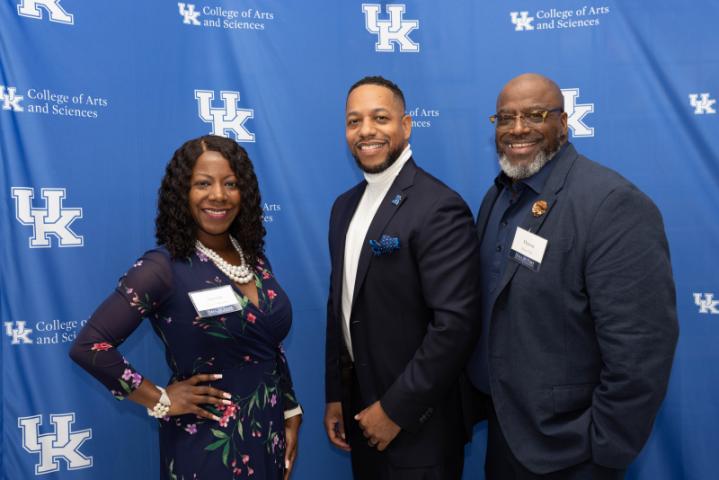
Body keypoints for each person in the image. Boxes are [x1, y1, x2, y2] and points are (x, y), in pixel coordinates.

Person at [466, 73, 679, 479]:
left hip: (574, 452)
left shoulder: (612, 205)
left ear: (563, 124)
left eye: (535, 115)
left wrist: (604, 449)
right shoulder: (497, 198)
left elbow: (641, 348)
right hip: (506, 436)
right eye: (505, 118)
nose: (518, 129)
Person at [70, 135, 302, 480]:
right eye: (203, 184)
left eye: (231, 184)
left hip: (266, 434)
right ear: (182, 193)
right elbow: (89, 347)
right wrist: (159, 398)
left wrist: (289, 407)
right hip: (208, 445)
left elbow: (268, 344)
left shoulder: (253, 259)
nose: (218, 196)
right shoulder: (162, 267)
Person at [323, 76, 481, 479]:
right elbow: (340, 306)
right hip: (360, 413)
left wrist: (395, 410)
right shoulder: (343, 207)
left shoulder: (439, 207)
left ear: (406, 126)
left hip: (419, 425)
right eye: (354, 121)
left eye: (380, 118)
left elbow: (455, 325)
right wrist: (336, 395)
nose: (367, 131)